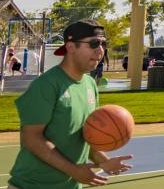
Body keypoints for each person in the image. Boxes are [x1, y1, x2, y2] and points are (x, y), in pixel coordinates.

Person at [8, 21, 134, 188]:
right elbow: (31, 138)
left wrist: (104, 161)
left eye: (103, 44)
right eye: (94, 43)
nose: (100, 50)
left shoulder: (90, 85)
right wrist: (74, 170)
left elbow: (87, 135)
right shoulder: (47, 85)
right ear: (71, 47)